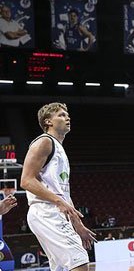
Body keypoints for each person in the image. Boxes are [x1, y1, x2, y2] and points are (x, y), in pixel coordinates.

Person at [20, 103, 97, 271]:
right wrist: (58, 202)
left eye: (67, 115)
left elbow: (63, 194)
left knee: (62, 268)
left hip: (54, 212)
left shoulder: (59, 148)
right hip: (46, 211)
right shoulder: (45, 142)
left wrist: (78, 224)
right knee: (80, 262)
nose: (67, 118)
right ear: (48, 122)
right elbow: (26, 181)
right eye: (61, 115)